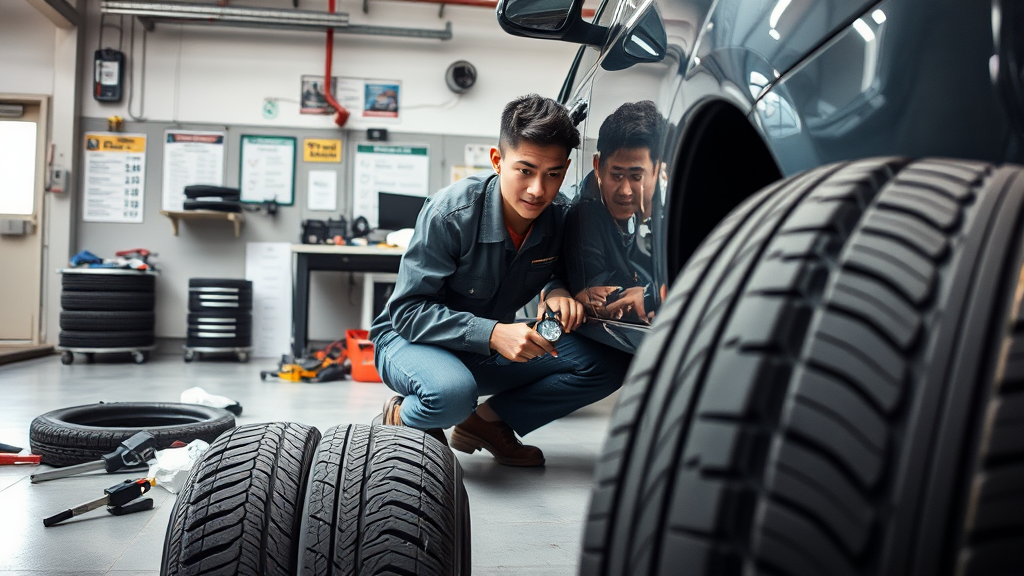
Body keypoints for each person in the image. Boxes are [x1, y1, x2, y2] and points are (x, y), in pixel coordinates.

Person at [370, 94, 631, 467]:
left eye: (553, 174)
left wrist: (556, 292)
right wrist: (492, 333)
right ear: (497, 160)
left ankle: (488, 424)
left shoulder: (560, 217)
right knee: (450, 396)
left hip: (482, 347)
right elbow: (407, 312)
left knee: (608, 361)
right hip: (410, 341)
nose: (538, 190)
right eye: (525, 170)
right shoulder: (450, 213)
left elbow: (557, 270)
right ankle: (401, 417)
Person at [566, 100, 663, 324]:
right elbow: (600, 296)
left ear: (656, 170)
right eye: (616, 175)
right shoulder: (583, 216)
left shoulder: (673, 210)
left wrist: (648, 293)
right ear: (598, 165)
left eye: (636, 177)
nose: (625, 191)